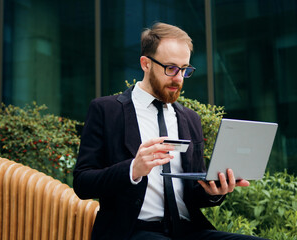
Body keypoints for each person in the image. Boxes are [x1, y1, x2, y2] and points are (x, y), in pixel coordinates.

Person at [73, 22, 267, 240]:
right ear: (145, 64)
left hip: (188, 230)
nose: (179, 78)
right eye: (171, 68)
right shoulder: (107, 110)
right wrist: (132, 170)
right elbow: (82, 182)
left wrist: (214, 192)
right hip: (132, 231)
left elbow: (193, 193)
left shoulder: (190, 119)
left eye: (185, 69)